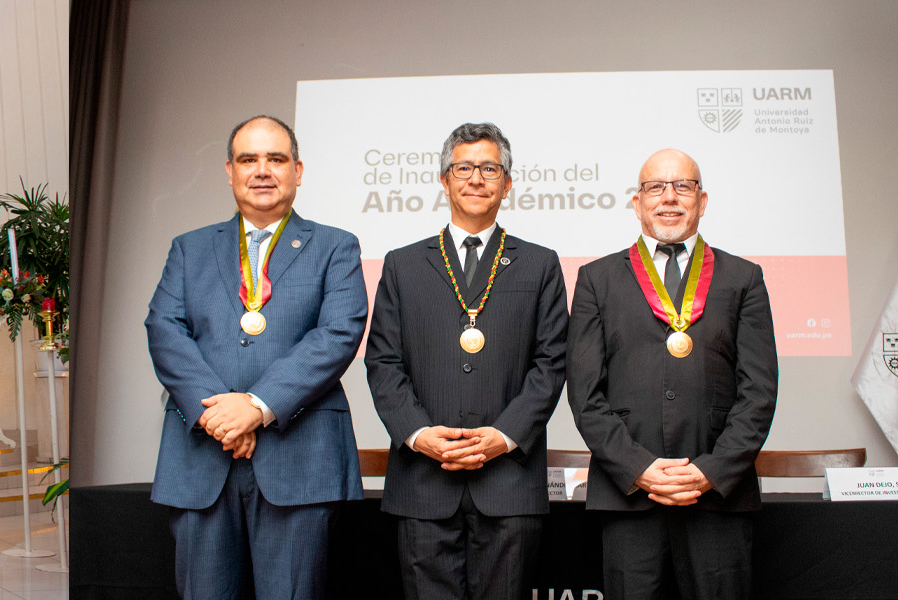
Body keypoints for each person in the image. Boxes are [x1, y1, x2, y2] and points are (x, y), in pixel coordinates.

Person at [144, 115, 368, 598]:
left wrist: (256, 406)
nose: (262, 170)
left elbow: (338, 334)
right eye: (249, 159)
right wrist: (220, 416)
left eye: (276, 159)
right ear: (230, 171)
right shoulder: (189, 248)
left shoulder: (336, 246)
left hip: (299, 458)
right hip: (202, 455)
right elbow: (164, 330)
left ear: (298, 171)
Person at [366, 123, 568, 599]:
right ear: (444, 180)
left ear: (508, 183)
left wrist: (504, 436)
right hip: (422, 483)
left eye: (490, 169)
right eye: (464, 168)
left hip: (509, 483)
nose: (477, 178)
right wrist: (419, 434)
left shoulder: (540, 264)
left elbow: (551, 362)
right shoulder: (403, 264)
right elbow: (384, 362)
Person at [567, 149, 777, 599]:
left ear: (702, 200)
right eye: (655, 187)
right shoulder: (596, 279)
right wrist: (639, 469)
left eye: (683, 186)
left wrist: (711, 471)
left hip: (718, 498)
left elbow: (759, 392)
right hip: (628, 496)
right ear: (636, 202)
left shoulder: (744, 278)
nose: (669, 197)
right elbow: (585, 396)